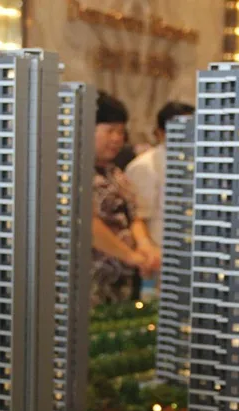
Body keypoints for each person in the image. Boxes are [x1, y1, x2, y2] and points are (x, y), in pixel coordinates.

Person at [91, 92, 161, 306]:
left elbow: (134, 216)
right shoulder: (71, 172)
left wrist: (145, 246)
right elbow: (86, 224)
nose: (117, 139)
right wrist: (130, 256)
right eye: (110, 131)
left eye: (121, 132)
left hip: (123, 283)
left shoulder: (117, 174)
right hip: (89, 282)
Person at [125, 101, 195, 249]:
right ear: (161, 133)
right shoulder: (145, 166)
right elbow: (137, 218)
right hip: (159, 250)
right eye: (182, 129)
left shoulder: (195, 163)